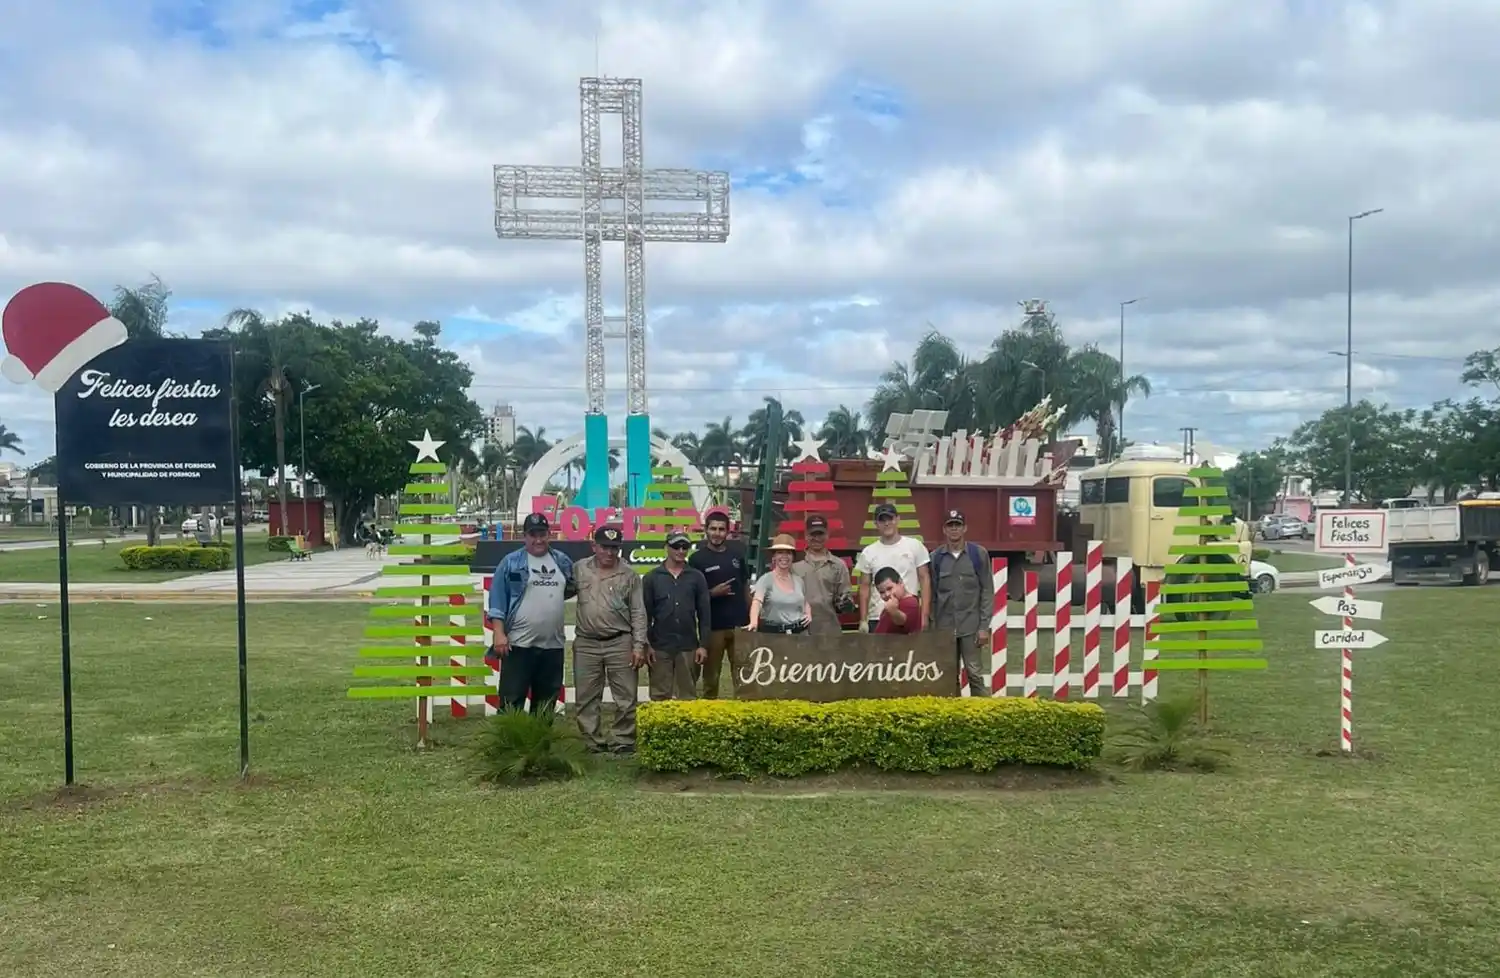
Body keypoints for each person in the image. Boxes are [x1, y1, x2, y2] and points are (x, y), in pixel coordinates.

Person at [486, 512, 575, 716]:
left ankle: (539, 746)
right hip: (518, 645)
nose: (538, 540)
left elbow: (571, 588)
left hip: (553, 646)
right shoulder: (510, 563)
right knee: (511, 701)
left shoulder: (562, 562)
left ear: (549, 535)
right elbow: (498, 600)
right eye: (533, 535)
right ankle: (509, 747)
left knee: (546, 704)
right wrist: (499, 633)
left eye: (542, 534)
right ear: (524, 536)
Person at [571, 524, 647, 754]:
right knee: (585, 695)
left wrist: (639, 645)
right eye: (604, 547)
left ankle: (623, 739)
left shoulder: (629, 574)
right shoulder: (579, 569)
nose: (609, 553)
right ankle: (592, 740)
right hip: (586, 643)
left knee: (626, 696)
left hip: (619, 641)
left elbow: (638, 611)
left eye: (615, 548)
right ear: (594, 546)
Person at [929, 510, 994, 697]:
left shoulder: (978, 554)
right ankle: (954, 717)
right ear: (944, 530)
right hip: (945, 627)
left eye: (957, 525)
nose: (954, 529)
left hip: (970, 626)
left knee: (974, 673)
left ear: (965, 528)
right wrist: (933, 626)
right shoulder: (936, 557)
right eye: (950, 525)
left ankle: (981, 715)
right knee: (949, 675)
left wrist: (983, 627)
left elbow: (987, 591)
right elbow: (932, 594)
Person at [642, 530, 712, 701]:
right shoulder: (652, 578)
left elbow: (704, 614)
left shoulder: (696, 577)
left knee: (687, 695)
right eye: (676, 546)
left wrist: (703, 645)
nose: (681, 551)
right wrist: (646, 645)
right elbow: (644, 615)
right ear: (666, 547)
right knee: (659, 695)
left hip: (688, 645)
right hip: (660, 645)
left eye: (685, 547)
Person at [687, 510, 749, 696]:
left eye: (721, 529)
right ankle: (710, 712)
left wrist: (751, 614)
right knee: (711, 677)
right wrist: (712, 593)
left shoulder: (738, 553)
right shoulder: (697, 559)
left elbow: (744, 584)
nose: (717, 533)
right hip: (713, 626)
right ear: (706, 530)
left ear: (728, 531)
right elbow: (693, 594)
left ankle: (744, 713)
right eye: (713, 528)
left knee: (743, 675)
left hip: (739, 625)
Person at [854, 501, 931, 632]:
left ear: (898, 519)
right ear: (876, 524)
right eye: (882, 520)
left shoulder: (915, 546)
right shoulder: (868, 552)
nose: (887, 523)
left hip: (908, 616)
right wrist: (863, 620)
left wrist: (924, 615)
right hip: (877, 617)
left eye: (890, 519)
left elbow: (925, 580)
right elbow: (864, 587)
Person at [793, 514, 854, 634]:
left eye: (820, 534)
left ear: (827, 535)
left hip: (829, 630)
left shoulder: (838, 565)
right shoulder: (795, 565)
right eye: (812, 534)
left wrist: (845, 604)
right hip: (800, 630)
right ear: (806, 535)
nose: (816, 538)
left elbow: (845, 599)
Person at [747, 534, 812, 633]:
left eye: (788, 553)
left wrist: (808, 614)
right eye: (780, 552)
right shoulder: (766, 579)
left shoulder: (799, 580)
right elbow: (757, 602)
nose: (784, 556)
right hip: (774, 634)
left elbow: (804, 602)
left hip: (799, 634)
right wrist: (753, 622)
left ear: (793, 557)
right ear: (774, 556)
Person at [871, 566, 922, 634]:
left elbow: (902, 621)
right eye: (882, 592)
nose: (887, 594)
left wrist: (893, 611)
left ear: (900, 582)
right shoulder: (893, 603)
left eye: (889, 588)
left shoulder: (910, 602)